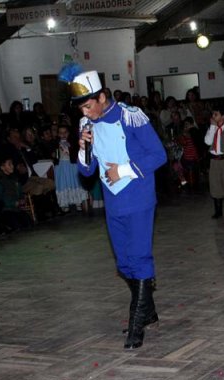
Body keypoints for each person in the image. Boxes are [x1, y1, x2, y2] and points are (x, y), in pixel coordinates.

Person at [60, 64, 167, 350]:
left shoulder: (131, 116)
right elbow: (86, 172)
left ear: (102, 97)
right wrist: (83, 147)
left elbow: (159, 155)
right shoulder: (86, 125)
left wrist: (123, 169)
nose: (85, 113)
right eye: (81, 109)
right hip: (114, 202)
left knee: (140, 258)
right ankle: (149, 311)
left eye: (88, 106)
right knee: (124, 263)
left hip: (139, 197)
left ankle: (136, 325)